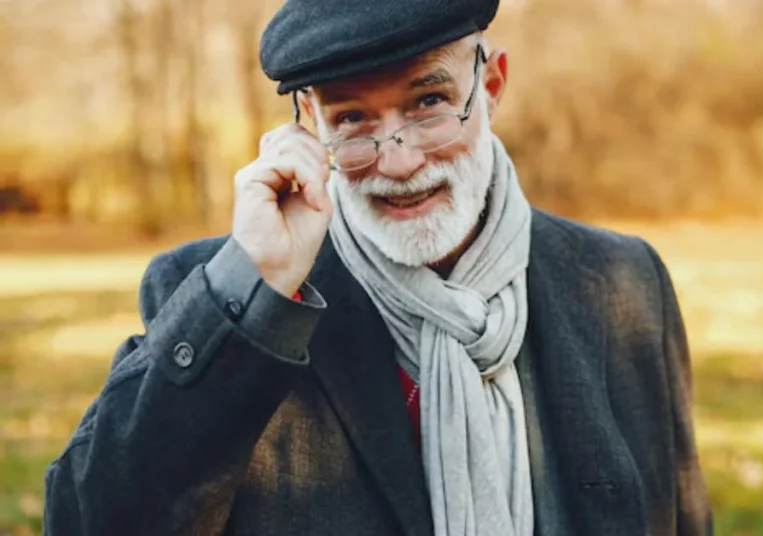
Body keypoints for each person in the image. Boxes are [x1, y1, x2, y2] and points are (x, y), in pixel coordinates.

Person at [42, 0, 712, 534]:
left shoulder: (624, 283)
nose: (398, 162)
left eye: (429, 103)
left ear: (492, 86)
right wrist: (255, 287)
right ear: (309, 123)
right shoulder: (228, 292)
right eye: (354, 118)